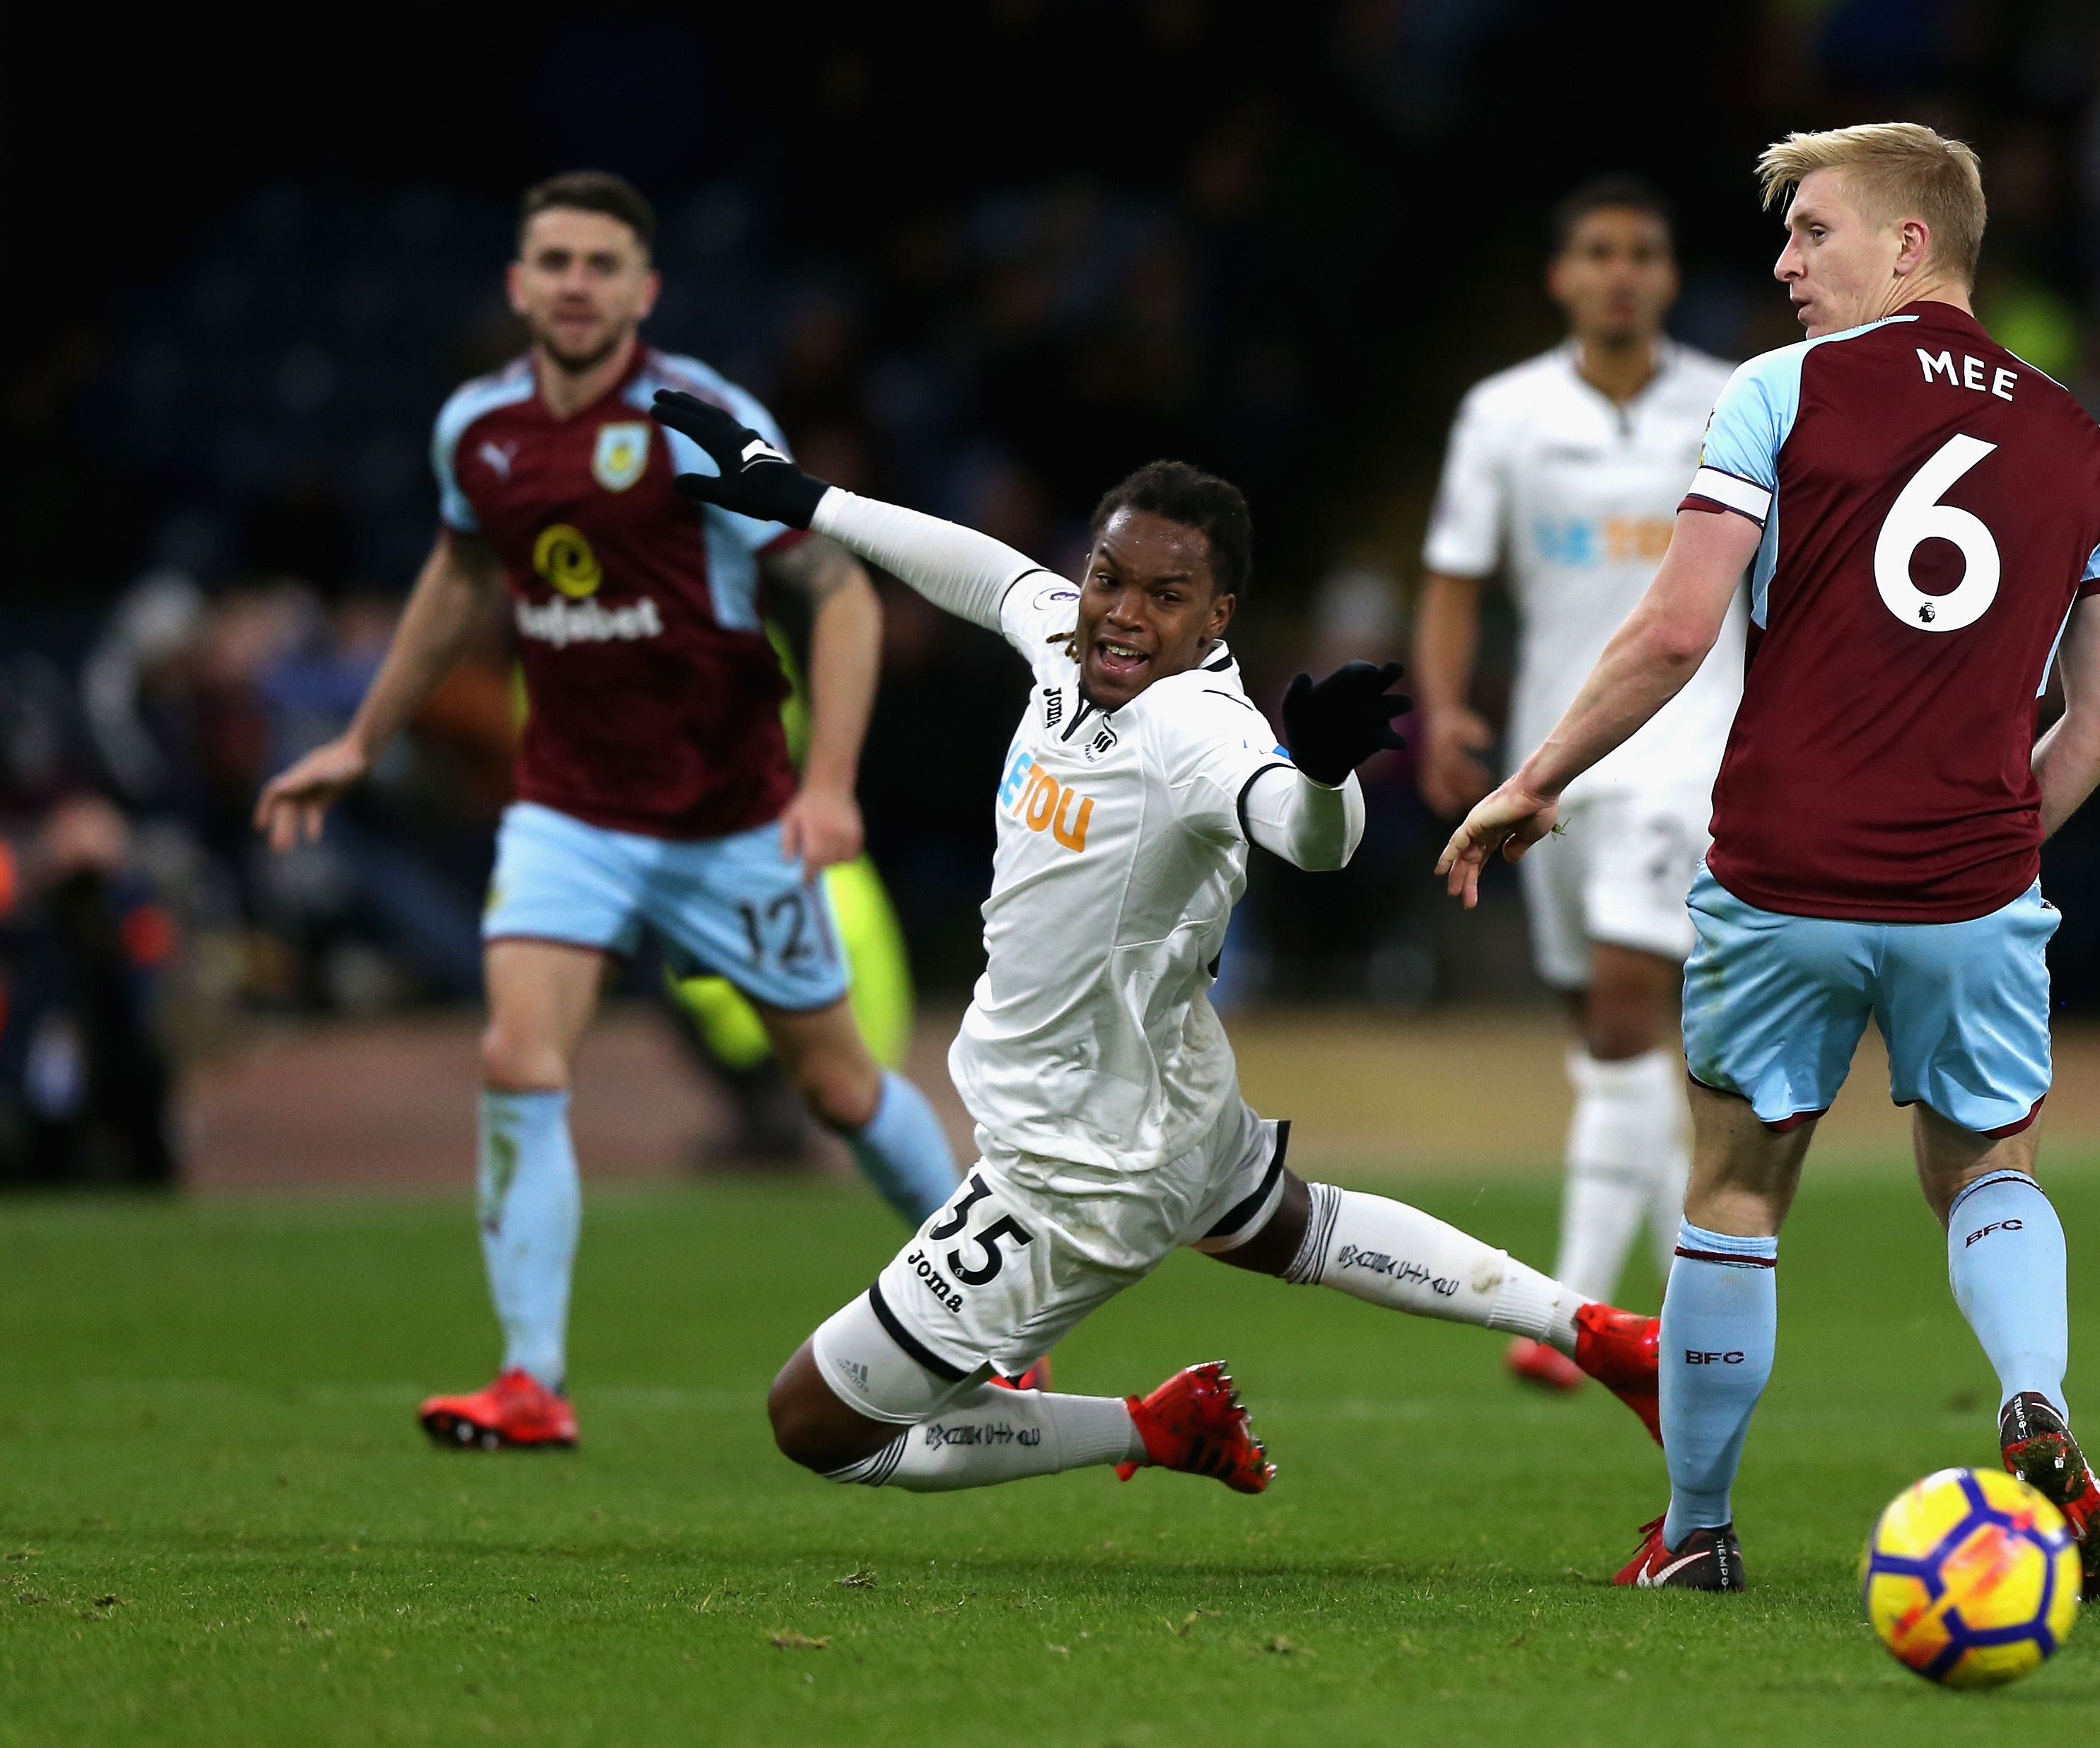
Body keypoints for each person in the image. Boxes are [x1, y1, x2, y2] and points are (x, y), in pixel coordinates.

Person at [644, 390, 1664, 1498]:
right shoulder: (1064, 637)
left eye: (1165, 596)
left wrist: (1324, 776)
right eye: (1108, 578)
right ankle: (1598, 1330)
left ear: (1216, 615)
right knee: (1292, 1224)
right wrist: (804, 498)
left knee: (816, 1422)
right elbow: (980, 569)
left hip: (1078, 1170)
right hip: (1163, 1093)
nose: (1122, 613)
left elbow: (1305, 836)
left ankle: (1152, 1426)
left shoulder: (1198, 729)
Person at [1440, 123, 2100, 1597]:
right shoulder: (2090, 447)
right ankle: (2034, 1395)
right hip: (1973, 884)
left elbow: (1673, 629)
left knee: (1739, 1189)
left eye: (1812, 232)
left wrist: (1534, 777)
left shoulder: (1776, 395)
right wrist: (1997, 839)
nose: (1782, 264)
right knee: (1983, 1164)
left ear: (1908, 246)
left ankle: (1696, 1527)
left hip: (1782, 873)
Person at [252, 173, 962, 1452]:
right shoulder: (478, 431)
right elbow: (462, 572)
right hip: (568, 808)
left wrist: (832, 786)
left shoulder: (703, 420)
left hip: (729, 816)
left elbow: (843, 594)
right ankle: (530, 1379)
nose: (577, 282)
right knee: (517, 1057)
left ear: (644, 290)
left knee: (841, 1087)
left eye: (601, 262)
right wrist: (362, 739)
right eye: (554, 261)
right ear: (520, 285)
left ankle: (989, 1315)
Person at [1409, 177, 1741, 1394]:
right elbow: (1453, 575)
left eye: (1643, 253)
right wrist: (1447, 709)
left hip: (1690, 748)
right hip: (1557, 757)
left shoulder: (1733, 402)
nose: (1620, 272)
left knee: (1620, 1012)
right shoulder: (1502, 414)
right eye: (1597, 252)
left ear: (1668, 275)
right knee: (1609, 1048)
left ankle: (1579, 1315)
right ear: (1561, 276)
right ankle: (1693, 1305)